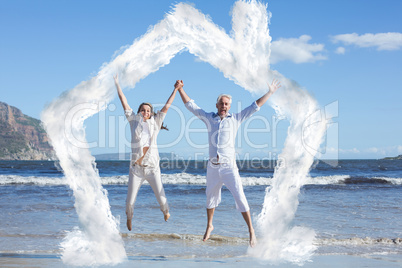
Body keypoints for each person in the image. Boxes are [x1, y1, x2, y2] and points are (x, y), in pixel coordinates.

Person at [176, 79, 281, 247]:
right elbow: (191, 106)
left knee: (240, 197)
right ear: (217, 105)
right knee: (210, 198)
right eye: (221, 103)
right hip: (212, 167)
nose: (224, 106)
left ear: (229, 106)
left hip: (229, 167)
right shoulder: (209, 118)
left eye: (226, 104)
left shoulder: (236, 119)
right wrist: (180, 89)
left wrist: (270, 92)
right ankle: (210, 225)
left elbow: (255, 106)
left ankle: (251, 231)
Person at [114, 74, 180, 231]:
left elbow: (167, 106)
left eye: (148, 110)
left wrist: (175, 89)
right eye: (142, 110)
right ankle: (129, 218)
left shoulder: (155, 122)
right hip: (136, 169)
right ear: (139, 112)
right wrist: (117, 83)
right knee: (130, 201)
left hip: (152, 168)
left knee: (161, 197)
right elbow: (123, 100)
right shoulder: (133, 121)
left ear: (151, 113)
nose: (145, 112)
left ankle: (166, 212)